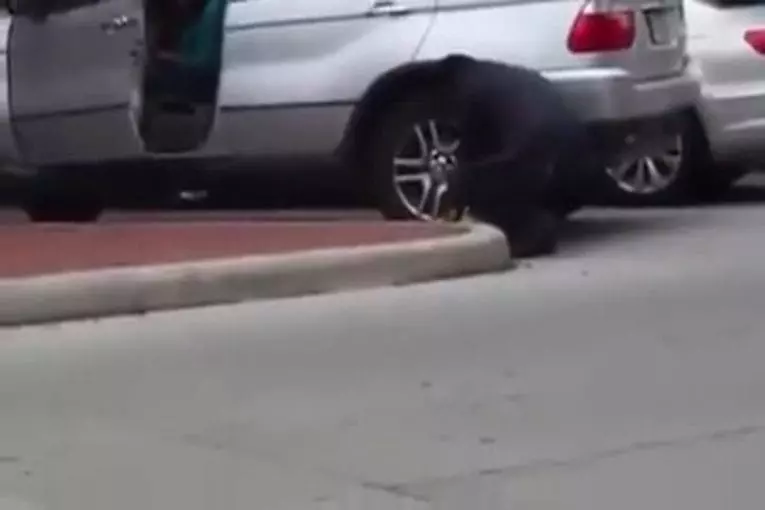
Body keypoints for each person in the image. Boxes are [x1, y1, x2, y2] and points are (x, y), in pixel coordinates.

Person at [436, 55, 599, 256]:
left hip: (534, 146)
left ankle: (532, 233)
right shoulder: (507, 74)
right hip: (576, 143)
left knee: (477, 183)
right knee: (513, 173)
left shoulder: (469, 88)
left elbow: (470, 148)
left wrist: (454, 198)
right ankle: (541, 216)